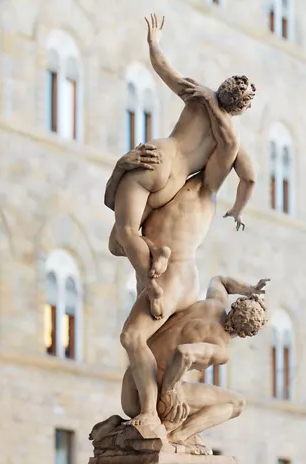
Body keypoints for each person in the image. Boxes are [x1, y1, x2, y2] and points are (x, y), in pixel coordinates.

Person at [104, 13, 258, 314]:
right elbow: (249, 178)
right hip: (174, 183)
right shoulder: (231, 138)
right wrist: (238, 208)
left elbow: (163, 67)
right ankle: (155, 254)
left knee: (125, 232)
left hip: (157, 159)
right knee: (117, 241)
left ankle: (152, 285)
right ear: (242, 109)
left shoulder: (201, 95)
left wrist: (153, 42)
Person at [120, 276, 270, 455]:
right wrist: (170, 391)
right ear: (246, 334)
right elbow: (184, 353)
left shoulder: (213, 305)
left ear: (236, 306)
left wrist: (251, 290)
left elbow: (220, 280)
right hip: (153, 397)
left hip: (132, 384)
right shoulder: (221, 348)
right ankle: (179, 437)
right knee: (237, 403)